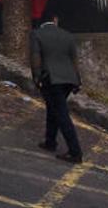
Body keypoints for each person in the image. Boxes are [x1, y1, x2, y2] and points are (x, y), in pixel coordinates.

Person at [30, 14, 83, 164]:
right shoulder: (68, 35)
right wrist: (77, 80)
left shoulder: (36, 34)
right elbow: (74, 59)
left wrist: (36, 78)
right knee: (53, 109)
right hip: (68, 79)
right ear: (55, 20)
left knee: (61, 113)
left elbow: (35, 57)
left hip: (51, 79)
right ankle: (50, 141)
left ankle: (75, 152)